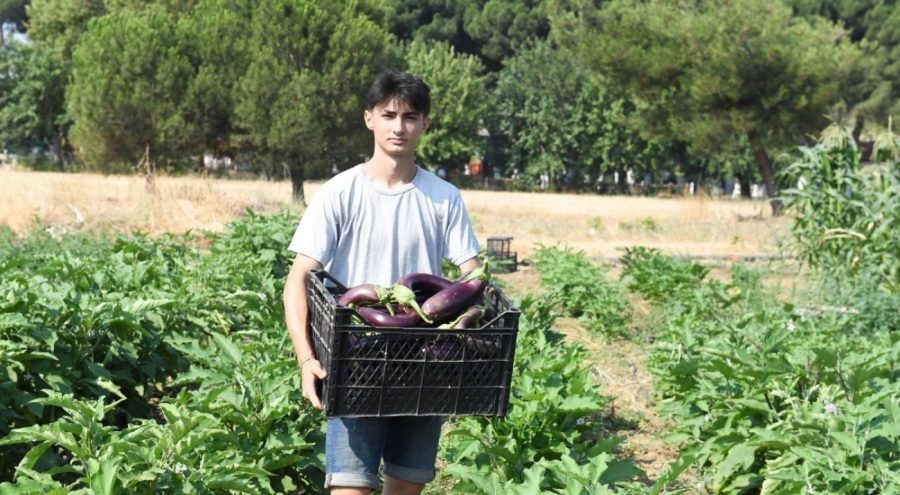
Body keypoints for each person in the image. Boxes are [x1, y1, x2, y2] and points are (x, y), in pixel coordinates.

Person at [282, 70, 481, 495]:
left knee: (406, 488)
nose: (399, 127)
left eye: (410, 117)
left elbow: (473, 276)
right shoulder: (339, 193)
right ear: (369, 118)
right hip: (356, 363)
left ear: (425, 123)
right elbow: (297, 279)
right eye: (388, 115)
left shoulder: (444, 197)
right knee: (349, 488)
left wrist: (471, 323)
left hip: (426, 364)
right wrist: (305, 359)